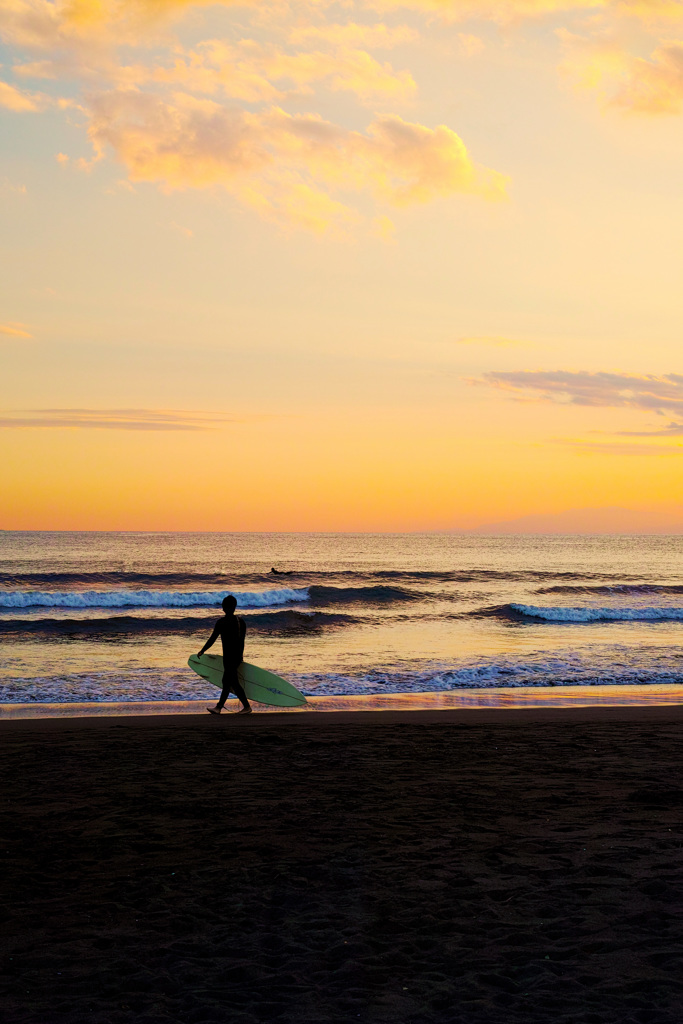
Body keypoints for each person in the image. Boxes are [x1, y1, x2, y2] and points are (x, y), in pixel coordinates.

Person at [197, 595, 251, 715]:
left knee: (232, 682)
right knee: (227, 681)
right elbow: (242, 641)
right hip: (237, 656)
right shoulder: (240, 622)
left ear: (224, 608)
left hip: (228, 657)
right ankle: (219, 707)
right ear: (234, 607)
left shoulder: (222, 622)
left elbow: (212, 639)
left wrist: (203, 650)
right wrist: (240, 657)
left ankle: (246, 707)